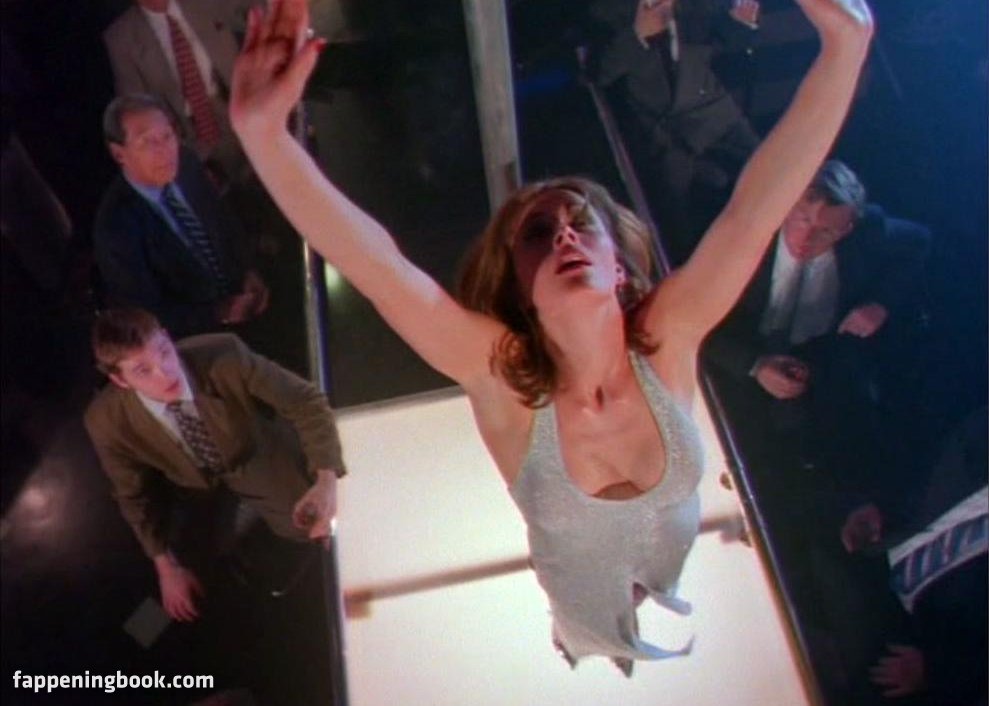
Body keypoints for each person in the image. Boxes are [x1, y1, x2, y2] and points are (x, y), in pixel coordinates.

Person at [229, 0, 873, 671]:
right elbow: (378, 268)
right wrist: (265, 137)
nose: (564, 234)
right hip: (579, 592)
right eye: (539, 233)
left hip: (663, 563)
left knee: (653, 601)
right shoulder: (501, 378)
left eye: (581, 224)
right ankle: (578, 637)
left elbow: (756, 209)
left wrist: (845, 47)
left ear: (617, 265)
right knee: (585, 633)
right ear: (518, 283)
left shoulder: (667, 336)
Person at [84, 307, 346, 622]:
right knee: (167, 590)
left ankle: (285, 612)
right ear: (119, 380)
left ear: (167, 337)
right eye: (143, 370)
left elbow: (305, 401)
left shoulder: (223, 353)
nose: (165, 373)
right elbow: (131, 494)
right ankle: (146, 640)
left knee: (311, 524)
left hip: (251, 454)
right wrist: (165, 567)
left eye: (164, 352)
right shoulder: (106, 421)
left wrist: (325, 479)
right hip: (188, 483)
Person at [703, 160, 930, 478]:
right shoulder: (734, 232)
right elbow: (692, 319)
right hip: (735, 357)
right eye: (802, 219)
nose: (807, 238)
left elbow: (919, 241)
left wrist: (880, 304)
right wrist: (755, 365)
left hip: (821, 357)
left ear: (847, 228)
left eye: (826, 231)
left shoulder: (869, 232)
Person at [586, 0, 763, 264]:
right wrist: (637, 36)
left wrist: (743, 22)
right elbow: (595, 73)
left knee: (766, 173)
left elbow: (721, 41)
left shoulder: (696, 6)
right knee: (675, 220)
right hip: (662, 134)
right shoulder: (608, 12)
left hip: (712, 115)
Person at [93, 93, 269, 339]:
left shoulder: (186, 163)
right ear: (119, 153)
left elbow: (223, 221)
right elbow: (146, 315)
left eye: (167, 136)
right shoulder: (115, 227)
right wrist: (218, 313)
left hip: (246, 305)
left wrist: (248, 269)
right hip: (196, 341)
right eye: (148, 142)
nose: (165, 151)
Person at [103, 0, 258, 188]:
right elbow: (136, 110)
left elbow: (264, 10)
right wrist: (184, 163)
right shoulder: (121, 37)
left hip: (240, 108)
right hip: (185, 137)